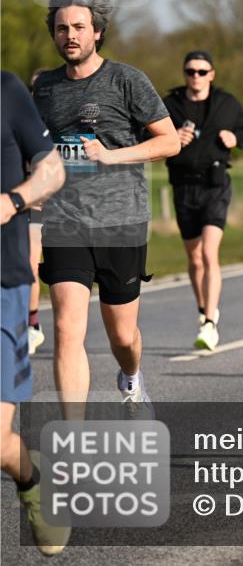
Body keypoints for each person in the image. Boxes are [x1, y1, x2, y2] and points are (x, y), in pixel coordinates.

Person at [32, 0, 180, 419]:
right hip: (65, 222)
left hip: (122, 221)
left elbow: (168, 141)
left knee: (123, 336)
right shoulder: (44, 90)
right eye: (62, 28)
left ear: (97, 32)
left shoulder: (126, 80)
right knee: (65, 329)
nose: (70, 35)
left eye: (79, 27)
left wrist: (110, 155)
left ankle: (131, 379)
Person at [2, 71, 68, 555]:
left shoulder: (7, 90)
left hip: (2, 282)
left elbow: (53, 170)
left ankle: (32, 481)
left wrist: (14, 200)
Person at [163, 51, 243, 350]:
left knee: (208, 253)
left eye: (202, 72)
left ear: (212, 74)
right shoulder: (170, 104)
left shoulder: (226, 103)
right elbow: (145, 133)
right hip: (183, 186)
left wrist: (236, 138)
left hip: (215, 184)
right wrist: (172, 137)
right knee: (193, 257)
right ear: (184, 73)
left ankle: (209, 323)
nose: (196, 77)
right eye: (191, 71)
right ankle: (204, 309)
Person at [26, 68, 48, 354]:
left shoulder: (60, 116)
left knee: (31, 262)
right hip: (17, 198)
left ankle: (32, 325)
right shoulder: (20, 115)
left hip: (46, 201)